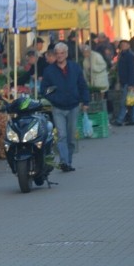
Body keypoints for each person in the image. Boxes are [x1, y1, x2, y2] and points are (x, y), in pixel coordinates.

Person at [39, 42, 90, 172]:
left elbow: (82, 85)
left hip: (73, 106)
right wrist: (53, 97)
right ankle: (64, 162)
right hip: (58, 108)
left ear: (66, 54)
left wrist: (85, 101)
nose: (60, 56)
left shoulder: (75, 68)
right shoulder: (49, 71)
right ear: (55, 55)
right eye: (57, 53)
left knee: (71, 137)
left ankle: (69, 160)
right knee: (62, 135)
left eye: (62, 53)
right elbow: (44, 89)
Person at [112, 39, 134, 126]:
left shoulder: (129, 56)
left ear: (128, 46)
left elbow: (132, 70)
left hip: (128, 82)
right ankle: (133, 119)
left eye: (125, 44)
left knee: (124, 102)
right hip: (124, 81)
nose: (123, 46)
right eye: (121, 45)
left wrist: (131, 84)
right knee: (130, 101)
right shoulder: (121, 55)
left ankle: (120, 120)